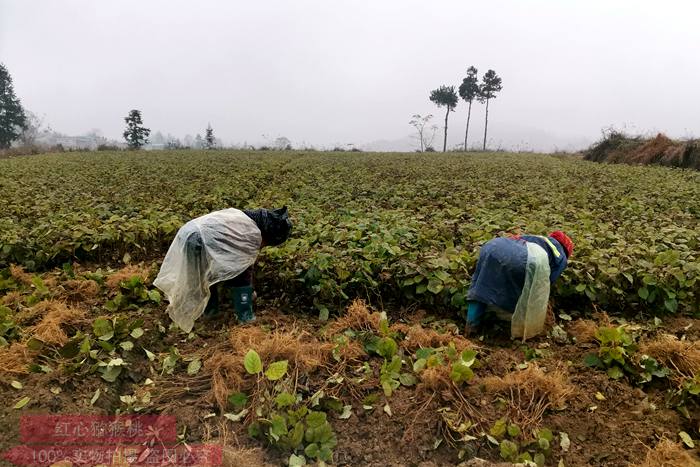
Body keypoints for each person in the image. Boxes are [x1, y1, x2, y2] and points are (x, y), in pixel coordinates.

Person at [153, 206, 292, 332]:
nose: (263, 246)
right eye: (266, 243)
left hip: (189, 231)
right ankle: (244, 317)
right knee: (207, 275)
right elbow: (243, 273)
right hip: (199, 238)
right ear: (267, 234)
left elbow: (230, 264)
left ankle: (210, 312)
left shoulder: (244, 218)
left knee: (204, 275)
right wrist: (245, 296)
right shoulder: (252, 233)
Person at [465, 231, 574, 340]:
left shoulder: (536, 238)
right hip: (521, 259)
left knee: (482, 285)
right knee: (521, 293)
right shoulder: (562, 256)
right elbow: (544, 284)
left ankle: (471, 327)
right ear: (567, 249)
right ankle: (513, 332)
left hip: (493, 246)